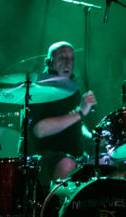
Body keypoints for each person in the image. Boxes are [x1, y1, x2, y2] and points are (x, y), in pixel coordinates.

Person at [26, 41, 96, 188]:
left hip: (73, 154)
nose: (67, 62)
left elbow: (75, 123)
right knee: (67, 164)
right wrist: (80, 112)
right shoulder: (39, 89)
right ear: (48, 62)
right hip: (42, 157)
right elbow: (40, 130)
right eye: (62, 58)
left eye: (71, 58)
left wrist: (92, 137)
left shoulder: (73, 89)